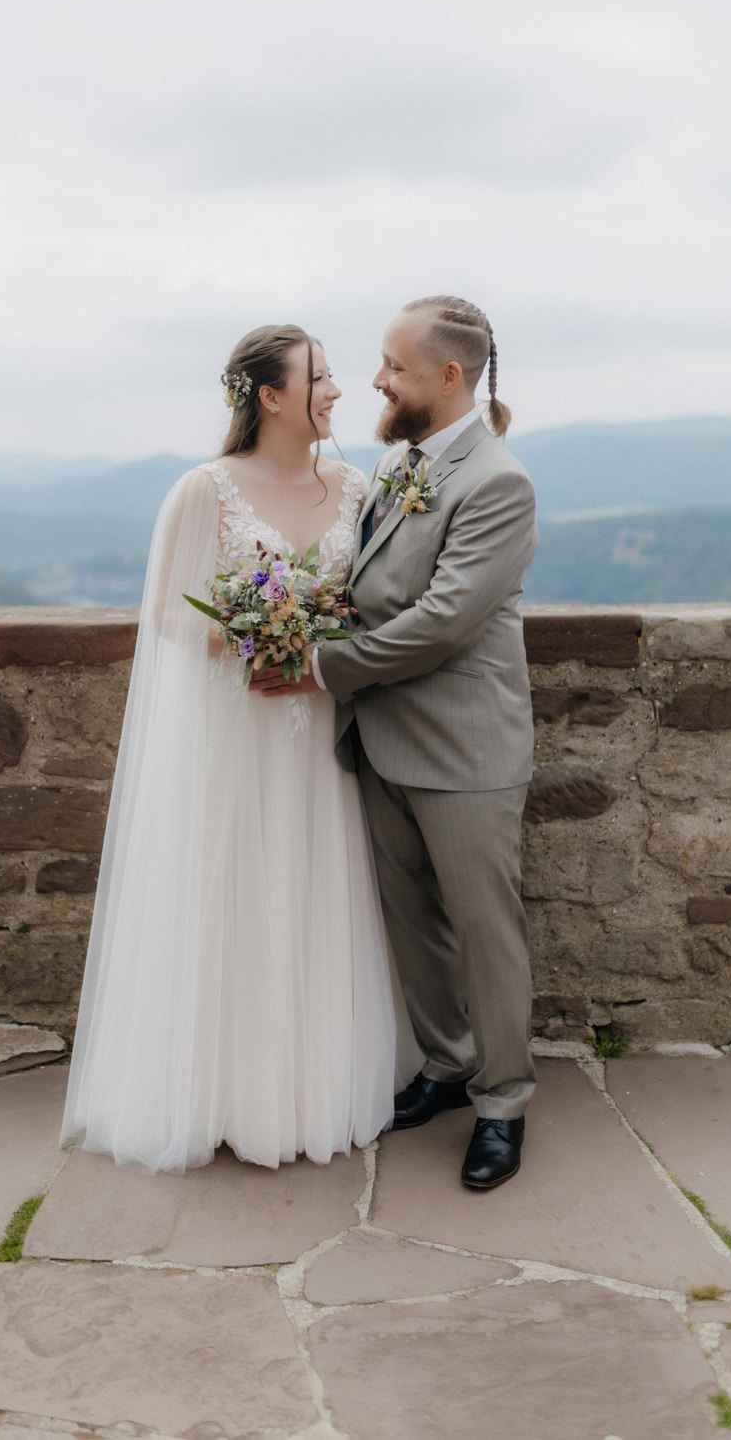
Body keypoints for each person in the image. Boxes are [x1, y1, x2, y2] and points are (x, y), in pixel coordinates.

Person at [61, 324, 409, 1174]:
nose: (336, 390)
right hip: (235, 734)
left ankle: (303, 1088)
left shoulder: (357, 486)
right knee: (230, 894)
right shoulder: (204, 490)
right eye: (319, 377)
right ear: (270, 395)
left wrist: (316, 640)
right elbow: (169, 615)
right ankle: (216, 1092)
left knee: (313, 886)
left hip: (316, 733)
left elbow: (369, 604)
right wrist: (258, 636)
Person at [253, 297, 538, 1190]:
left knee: (487, 931)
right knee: (413, 922)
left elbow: (443, 621)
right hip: (379, 739)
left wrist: (318, 668)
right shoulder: (399, 464)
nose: (375, 380)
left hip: (463, 748)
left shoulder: (497, 482)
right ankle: (448, 1066)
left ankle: (503, 1104)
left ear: (449, 377)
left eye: (393, 366)